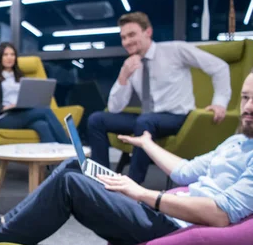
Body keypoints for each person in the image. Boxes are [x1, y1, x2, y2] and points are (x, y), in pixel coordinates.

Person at [0, 61, 253, 245]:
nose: (248, 106)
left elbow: (222, 214)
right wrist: (147, 144)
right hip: (166, 206)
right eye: (246, 97)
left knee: (70, 184)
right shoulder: (237, 142)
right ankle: (5, 221)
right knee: (75, 165)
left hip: (172, 225)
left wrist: (143, 194)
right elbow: (186, 171)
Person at [87, 12, 232, 184]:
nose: (127, 41)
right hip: (148, 119)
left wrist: (220, 103)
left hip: (178, 118)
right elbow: (114, 108)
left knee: (145, 121)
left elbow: (219, 67)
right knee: (96, 119)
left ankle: (131, 185)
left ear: (148, 32)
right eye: (123, 37)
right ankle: (99, 180)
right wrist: (123, 76)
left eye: (131, 34)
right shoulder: (131, 64)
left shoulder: (175, 50)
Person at [0, 42, 69, 144]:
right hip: (3, 117)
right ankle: (71, 149)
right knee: (46, 111)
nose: (9, 58)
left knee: (42, 125)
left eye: (12, 54)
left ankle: (53, 158)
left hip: (23, 113)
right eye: (6, 55)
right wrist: (6, 107)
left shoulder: (21, 77)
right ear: (0, 57)